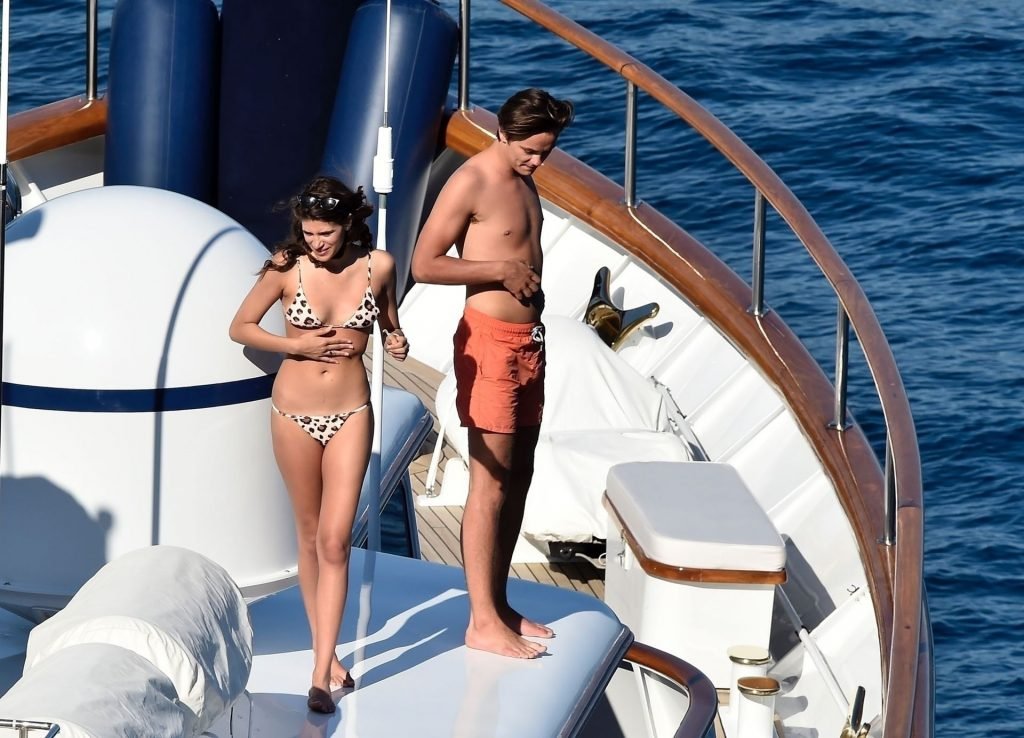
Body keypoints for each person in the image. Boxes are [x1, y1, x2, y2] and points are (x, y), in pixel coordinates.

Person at [229, 175, 408, 713]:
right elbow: (241, 327)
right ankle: (325, 654)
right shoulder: (286, 266)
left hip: (351, 412)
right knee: (308, 537)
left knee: (335, 541)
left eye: (325, 233)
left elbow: (390, 322)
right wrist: (296, 345)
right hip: (293, 414)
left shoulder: (379, 266)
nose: (317, 243)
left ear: (348, 224)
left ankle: (318, 673)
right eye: (309, 233)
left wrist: (396, 339)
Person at [411, 88, 574, 659]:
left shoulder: (525, 178)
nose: (537, 161)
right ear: (503, 133)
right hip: (490, 346)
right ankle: (481, 621)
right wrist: (499, 270)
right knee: (491, 482)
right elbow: (424, 263)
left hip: (529, 343)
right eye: (529, 150)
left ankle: (499, 604)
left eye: (546, 152)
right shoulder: (472, 180)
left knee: (520, 474)